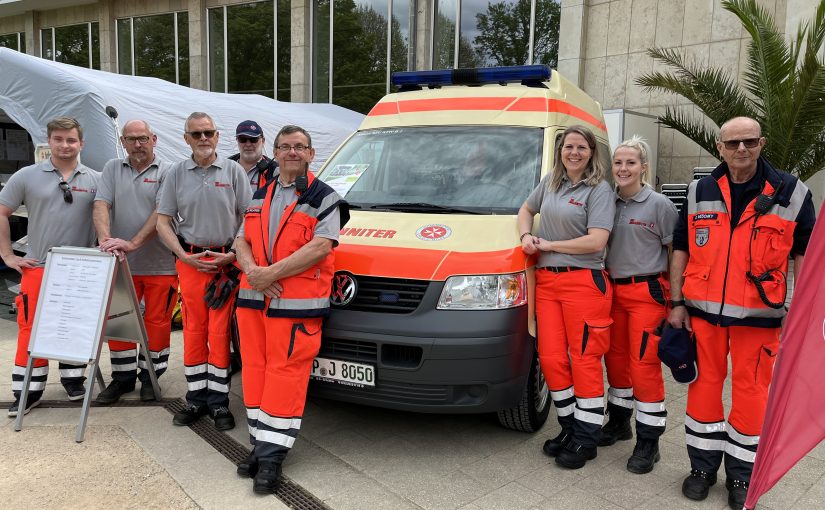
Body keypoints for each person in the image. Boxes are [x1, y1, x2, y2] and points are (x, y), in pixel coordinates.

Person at [669, 117, 815, 509]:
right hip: (702, 316)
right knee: (703, 391)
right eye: (732, 143)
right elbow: (681, 247)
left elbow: (806, 254)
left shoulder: (792, 193)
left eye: (749, 142)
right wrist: (677, 303)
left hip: (761, 318)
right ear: (719, 147)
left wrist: (800, 311)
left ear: (762, 143)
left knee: (752, 396)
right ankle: (701, 469)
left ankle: (741, 475)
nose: (741, 150)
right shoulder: (699, 190)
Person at [233, 125, 348, 494]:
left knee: (286, 376)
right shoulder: (260, 193)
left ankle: (271, 459)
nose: (292, 152)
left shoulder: (325, 197)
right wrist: (253, 272)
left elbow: (321, 246)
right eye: (286, 147)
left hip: (295, 307)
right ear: (276, 152)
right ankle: (259, 443)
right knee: (254, 371)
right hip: (254, 300)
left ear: (311, 154)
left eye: (300, 147)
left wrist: (269, 274)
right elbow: (240, 240)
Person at [517, 125, 615, 469]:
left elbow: (597, 240)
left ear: (591, 152)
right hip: (548, 283)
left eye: (581, 147)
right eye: (569, 146)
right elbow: (525, 210)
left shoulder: (599, 189)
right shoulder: (551, 182)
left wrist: (549, 245)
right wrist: (527, 234)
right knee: (552, 357)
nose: (574, 152)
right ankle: (570, 428)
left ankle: (587, 439)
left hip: (584, 283)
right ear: (561, 151)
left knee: (584, 357)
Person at [156, 112, 252, 431]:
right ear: (186, 139)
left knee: (220, 332)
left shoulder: (234, 171)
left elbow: (248, 219)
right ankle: (196, 397)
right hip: (192, 262)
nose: (203, 138)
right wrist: (183, 254)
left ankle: (219, 402)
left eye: (208, 132)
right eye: (196, 134)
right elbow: (163, 221)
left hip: (224, 264)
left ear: (217, 136)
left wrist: (233, 254)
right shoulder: (176, 174)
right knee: (195, 331)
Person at [0, 117, 100, 416]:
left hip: (81, 269)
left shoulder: (95, 179)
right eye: (59, 139)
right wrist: (7, 255)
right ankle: (28, 390)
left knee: (75, 325)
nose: (65, 145)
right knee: (30, 328)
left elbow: (107, 215)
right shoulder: (26, 176)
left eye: (71, 140)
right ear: (49, 142)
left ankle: (73, 381)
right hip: (39, 266)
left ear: (81, 144)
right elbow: (2, 212)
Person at [602, 136, 678, 474]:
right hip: (610, 293)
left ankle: (649, 441)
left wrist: (678, 299)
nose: (623, 168)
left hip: (646, 292)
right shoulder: (606, 201)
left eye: (630, 162)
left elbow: (677, 254)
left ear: (643, 167)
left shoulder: (660, 205)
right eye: (618, 162)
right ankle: (619, 423)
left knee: (643, 366)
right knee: (615, 362)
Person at [93, 119, 178, 404]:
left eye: (142, 138)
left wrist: (133, 244)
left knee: (157, 322)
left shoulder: (169, 171)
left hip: (160, 265)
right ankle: (122, 379)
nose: (138, 144)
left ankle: (150, 378)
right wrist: (106, 240)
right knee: (118, 323)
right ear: (122, 142)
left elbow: (161, 213)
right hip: (120, 265)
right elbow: (101, 204)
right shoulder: (111, 169)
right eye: (131, 139)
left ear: (154, 139)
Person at [229, 120, 277, 189]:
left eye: (253, 139)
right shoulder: (226, 167)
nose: (248, 144)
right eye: (242, 139)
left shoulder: (274, 171)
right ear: (237, 140)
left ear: (263, 141)